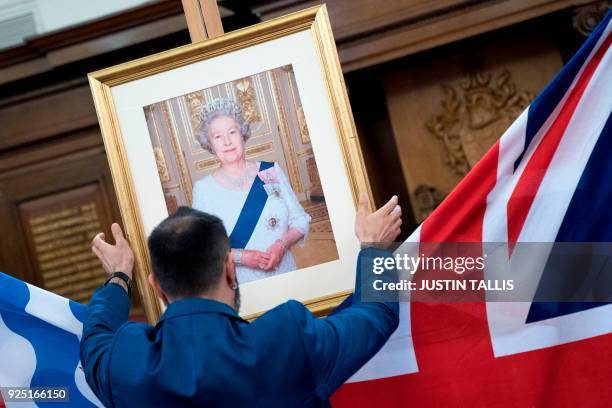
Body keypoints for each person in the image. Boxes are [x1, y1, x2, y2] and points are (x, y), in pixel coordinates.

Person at [81, 192, 402, 407]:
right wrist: (374, 246)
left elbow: (95, 333)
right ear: (231, 270)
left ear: (157, 289)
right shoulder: (288, 340)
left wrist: (119, 276)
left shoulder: (123, 364)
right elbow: (377, 315)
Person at [191, 98, 311, 284]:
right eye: (218, 137)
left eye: (232, 132)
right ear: (210, 144)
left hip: (286, 274)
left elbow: (300, 220)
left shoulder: (271, 171)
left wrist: (281, 245)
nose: (227, 141)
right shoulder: (203, 190)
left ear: (242, 134)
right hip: (245, 286)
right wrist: (241, 257)